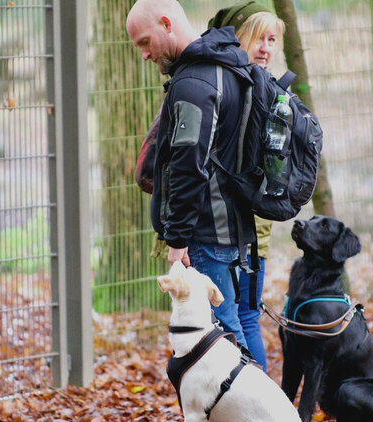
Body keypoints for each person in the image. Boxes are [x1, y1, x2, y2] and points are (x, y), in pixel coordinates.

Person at [133, 1, 285, 371]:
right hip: (234, 230)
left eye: (144, 41)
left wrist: (178, 240)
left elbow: (189, 166)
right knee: (235, 334)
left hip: (207, 235)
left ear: (166, 23)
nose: (143, 54)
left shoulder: (194, 83)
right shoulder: (227, 68)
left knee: (225, 346)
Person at [208, 1, 285, 373]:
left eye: (272, 39)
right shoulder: (232, 83)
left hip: (253, 231)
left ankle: (257, 403)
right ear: (237, 38)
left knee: (245, 318)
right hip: (231, 225)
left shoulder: (269, 91)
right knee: (238, 318)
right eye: (258, 37)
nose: (266, 47)